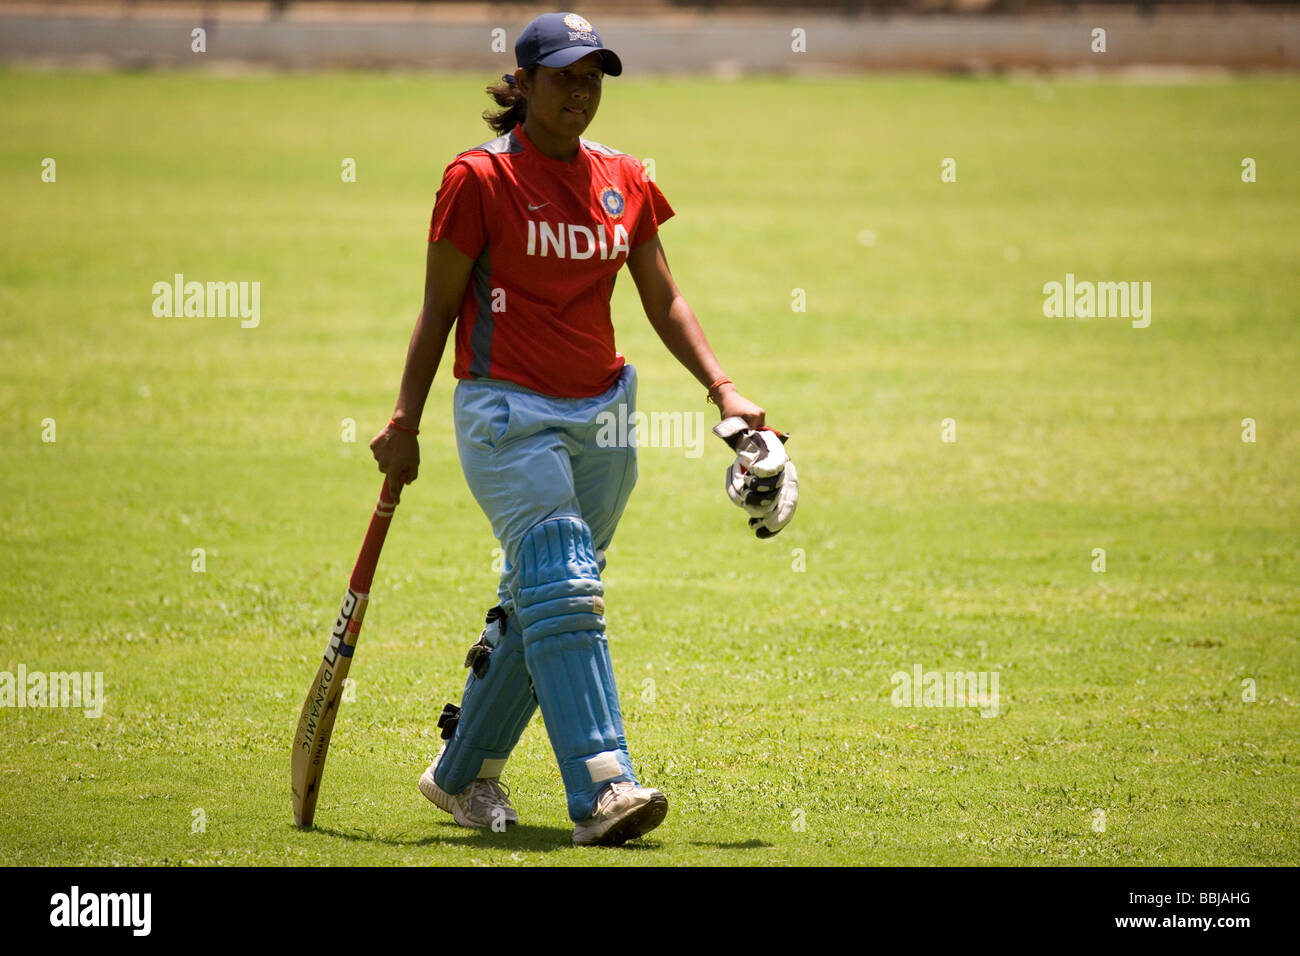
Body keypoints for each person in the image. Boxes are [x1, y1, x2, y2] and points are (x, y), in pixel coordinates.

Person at [369, 12, 772, 847]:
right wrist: (403, 421)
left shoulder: (623, 177)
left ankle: (461, 775)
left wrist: (725, 391)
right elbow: (439, 307)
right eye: (563, 76)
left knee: (545, 601)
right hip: (505, 414)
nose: (581, 93)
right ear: (522, 85)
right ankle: (604, 787)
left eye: (593, 77)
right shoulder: (477, 180)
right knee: (565, 586)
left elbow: (663, 299)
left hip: (605, 417)